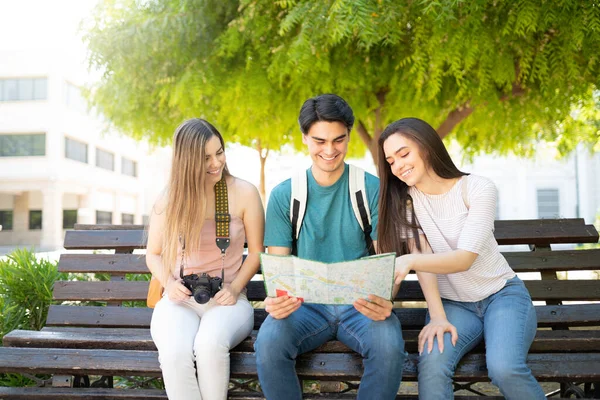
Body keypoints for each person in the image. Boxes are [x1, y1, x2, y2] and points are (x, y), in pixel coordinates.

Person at [377, 117, 545, 400]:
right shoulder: (406, 202)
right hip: (453, 306)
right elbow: (425, 263)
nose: (398, 165)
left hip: (501, 297)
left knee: (504, 368)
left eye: (404, 153)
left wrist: (408, 262)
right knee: (431, 367)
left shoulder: (477, 188)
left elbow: (464, 258)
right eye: (391, 161)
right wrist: (438, 317)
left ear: (427, 147)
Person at [254, 94, 406, 400]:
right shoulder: (286, 195)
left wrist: (386, 297)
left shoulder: (370, 188)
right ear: (305, 138)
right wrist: (276, 300)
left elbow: (386, 263)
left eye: (339, 140)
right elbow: (279, 270)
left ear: (349, 136)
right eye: (319, 141)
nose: (330, 150)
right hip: (304, 307)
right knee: (269, 341)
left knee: (389, 347)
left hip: (360, 304)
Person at [146, 118, 265, 400]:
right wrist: (169, 283)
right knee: (174, 353)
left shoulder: (243, 192)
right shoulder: (169, 199)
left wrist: (234, 289)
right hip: (180, 299)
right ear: (187, 161)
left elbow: (258, 252)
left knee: (210, 345)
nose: (216, 163)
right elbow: (153, 254)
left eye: (219, 152)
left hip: (229, 300)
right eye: (206, 157)